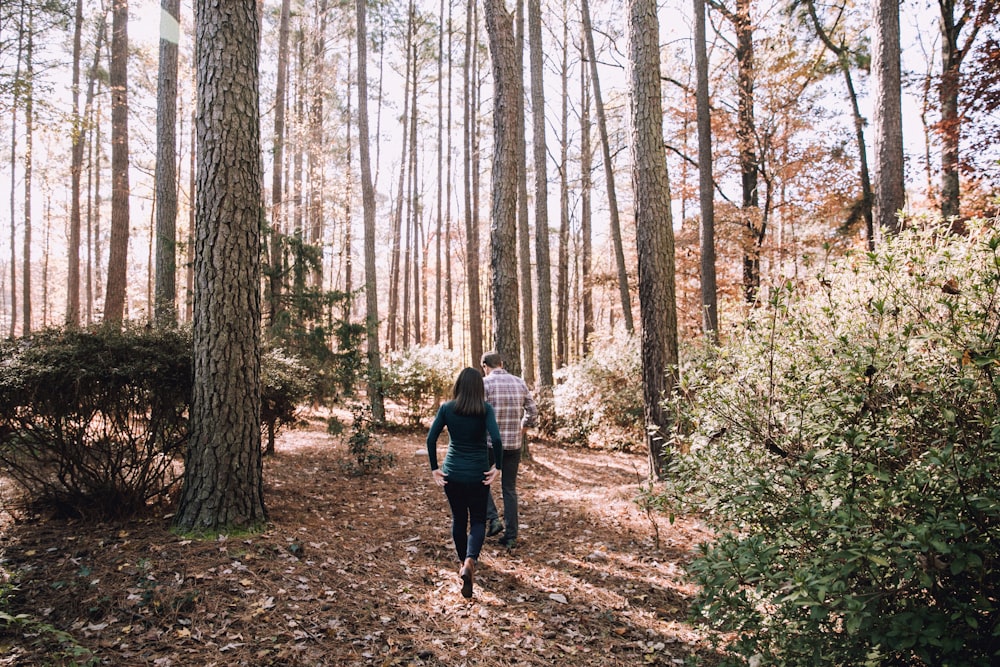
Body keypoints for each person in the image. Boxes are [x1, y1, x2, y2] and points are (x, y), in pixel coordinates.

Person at [426, 367, 503, 599]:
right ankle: (471, 561)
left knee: (459, 519)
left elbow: (430, 439)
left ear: (458, 386)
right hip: (478, 474)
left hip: (453, 474)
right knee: (478, 519)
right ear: (479, 388)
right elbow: (497, 439)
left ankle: (463, 563)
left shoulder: (447, 409)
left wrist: (434, 469)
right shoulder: (485, 410)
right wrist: (497, 467)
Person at [481, 351, 538, 549]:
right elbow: (532, 410)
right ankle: (511, 536)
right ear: (502, 364)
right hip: (514, 445)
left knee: (480, 482)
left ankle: (493, 518)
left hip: (489, 445)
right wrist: (522, 428)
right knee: (509, 489)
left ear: (484, 366)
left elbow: (477, 413)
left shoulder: (485, 383)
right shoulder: (519, 382)